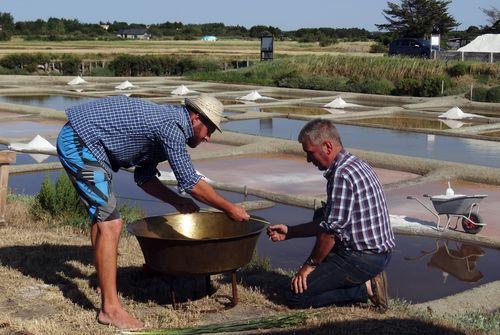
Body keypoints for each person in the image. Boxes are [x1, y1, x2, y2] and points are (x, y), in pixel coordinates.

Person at [56, 94, 250, 329]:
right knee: (111, 223)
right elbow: (190, 181)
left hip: (86, 142)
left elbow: (144, 177)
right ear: (196, 118)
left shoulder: (168, 125)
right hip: (80, 143)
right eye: (209, 130)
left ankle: (103, 283)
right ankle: (110, 310)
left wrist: (176, 202)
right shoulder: (172, 127)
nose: (208, 138)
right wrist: (229, 208)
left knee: (102, 219)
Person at [267, 119, 395, 310]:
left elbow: (330, 233)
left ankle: (363, 289)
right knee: (321, 213)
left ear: (327, 146)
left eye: (310, 153)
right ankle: (361, 281)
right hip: (379, 255)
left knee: (295, 297)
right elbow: (328, 222)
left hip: (362, 258)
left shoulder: (341, 175)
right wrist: (290, 232)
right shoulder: (355, 163)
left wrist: (309, 266)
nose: (309, 160)